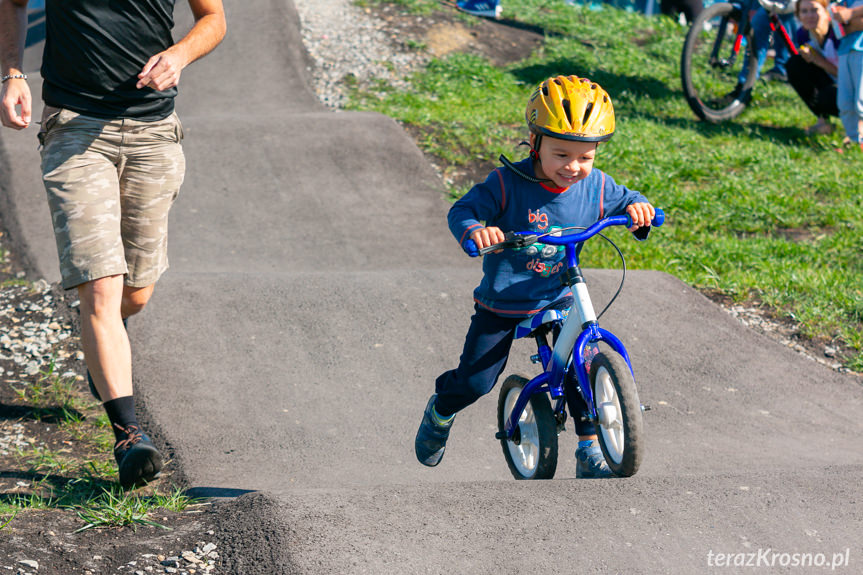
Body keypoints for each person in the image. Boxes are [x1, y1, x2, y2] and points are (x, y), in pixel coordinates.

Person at [0, 0, 226, 489]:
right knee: (100, 287)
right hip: (75, 129)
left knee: (134, 295)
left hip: (153, 131)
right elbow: (14, 4)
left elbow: (214, 19)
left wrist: (180, 55)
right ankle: (128, 435)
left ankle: (106, 345)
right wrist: (13, 74)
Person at [414, 75, 655, 478]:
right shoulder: (507, 184)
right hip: (504, 301)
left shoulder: (594, 186)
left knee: (584, 362)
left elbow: (627, 199)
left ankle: (589, 450)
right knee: (476, 382)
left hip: (559, 295)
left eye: (586, 157)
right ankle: (440, 412)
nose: (573, 168)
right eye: (561, 154)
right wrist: (477, 229)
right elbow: (464, 210)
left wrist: (640, 210)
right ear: (535, 141)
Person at [787, 0, 842, 134]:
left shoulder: (838, 34)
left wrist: (819, 61)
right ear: (798, 16)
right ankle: (823, 122)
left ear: (826, 13)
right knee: (795, 64)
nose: (809, 16)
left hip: (852, 90)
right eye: (804, 11)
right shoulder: (803, 35)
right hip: (831, 83)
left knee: (827, 95)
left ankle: (857, 127)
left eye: (815, 10)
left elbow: (851, 77)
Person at [833, 0, 863, 148]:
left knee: (861, 101)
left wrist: (851, 14)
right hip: (845, 50)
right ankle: (854, 141)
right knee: (845, 102)